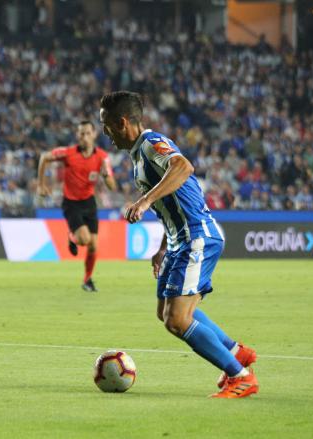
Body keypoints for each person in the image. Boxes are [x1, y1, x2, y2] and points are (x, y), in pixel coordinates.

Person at [99, 90, 258, 398]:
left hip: (196, 237)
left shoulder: (151, 143)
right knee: (166, 313)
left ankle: (240, 376)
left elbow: (183, 167)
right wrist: (161, 248)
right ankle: (236, 352)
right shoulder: (137, 157)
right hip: (177, 240)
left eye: (106, 124)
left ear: (121, 122)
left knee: (178, 319)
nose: (105, 132)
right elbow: (172, 204)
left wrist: (144, 200)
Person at [37, 120, 116, 292]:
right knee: (84, 239)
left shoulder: (103, 157)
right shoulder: (68, 153)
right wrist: (41, 184)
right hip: (71, 203)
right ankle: (72, 236)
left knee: (94, 246)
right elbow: (44, 157)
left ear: (94, 135)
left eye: (88, 133)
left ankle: (87, 279)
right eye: (81, 133)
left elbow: (112, 186)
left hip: (89, 202)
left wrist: (106, 176)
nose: (85, 137)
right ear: (77, 136)